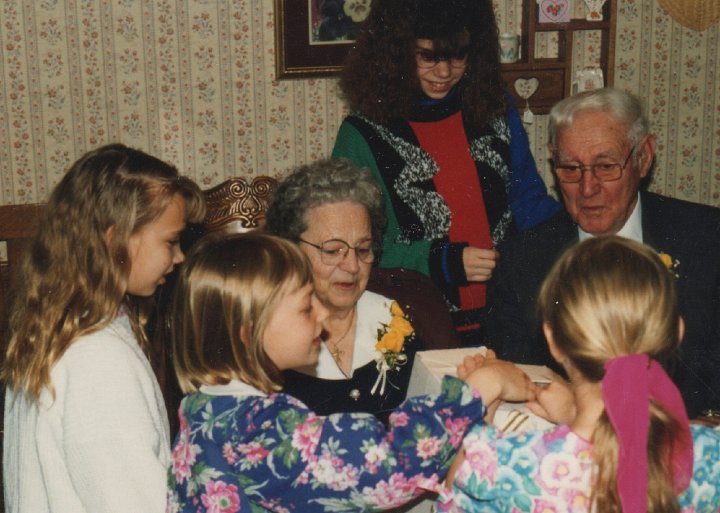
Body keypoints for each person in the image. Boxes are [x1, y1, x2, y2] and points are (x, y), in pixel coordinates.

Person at [165, 232, 536, 513]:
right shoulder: (259, 429)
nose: (323, 315)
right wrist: (478, 388)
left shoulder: (202, 408)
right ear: (250, 332)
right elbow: (389, 466)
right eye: (305, 307)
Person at [332, 0, 561, 344]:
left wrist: (584, 236)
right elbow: (350, 249)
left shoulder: (496, 107)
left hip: (509, 319)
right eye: (428, 56)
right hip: (414, 328)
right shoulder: (361, 134)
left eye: (459, 56)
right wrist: (441, 261)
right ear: (395, 52)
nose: (444, 72)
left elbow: (529, 203)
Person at [438, 236, 720, 513]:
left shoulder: (505, 467)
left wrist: (482, 387)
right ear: (677, 332)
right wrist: (572, 411)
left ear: (552, 339)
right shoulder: (709, 455)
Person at [485, 87, 720, 418]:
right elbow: (520, 375)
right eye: (570, 169)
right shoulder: (521, 260)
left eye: (606, 166)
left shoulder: (707, 238)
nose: (588, 188)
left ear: (644, 156)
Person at [2, 144, 205, 513]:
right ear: (115, 240)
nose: (179, 256)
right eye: (171, 241)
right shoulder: (98, 359)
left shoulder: (61, 331)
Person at [266, 158, 443, 424]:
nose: (352, 266)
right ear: (291, 249)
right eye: (332, 250)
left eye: (362, 249)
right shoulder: (273, 335)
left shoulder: (394, 320)